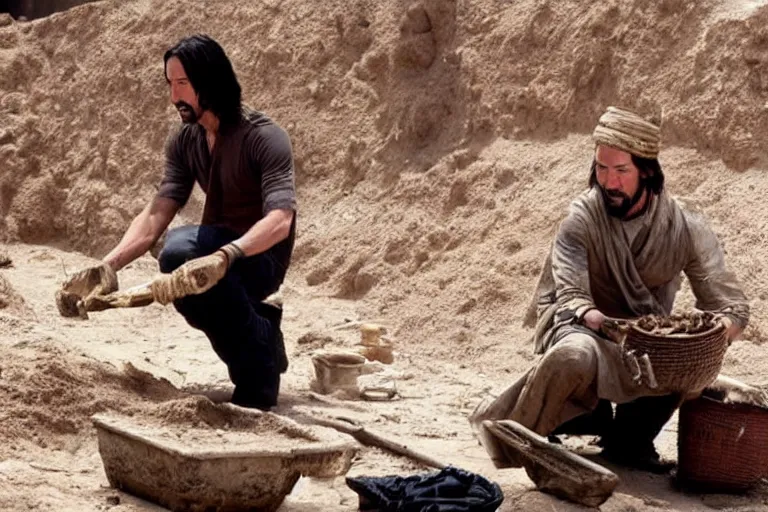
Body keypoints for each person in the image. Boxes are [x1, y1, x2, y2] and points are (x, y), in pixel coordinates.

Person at [470, 106, 749, 473]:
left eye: (621, 171)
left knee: (691, 362)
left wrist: (712, 337)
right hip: (582, 325)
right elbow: (570, 294)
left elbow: (732, 306)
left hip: (647, 341)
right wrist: (600, 321)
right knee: (574, 356)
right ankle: (523, 439)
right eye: (601, 168)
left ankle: (629, 442)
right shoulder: (580, 218)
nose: (609, 182)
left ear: (647, 171)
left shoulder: (686, 226)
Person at [57, 34, 297, 411]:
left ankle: (258, 360)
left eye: (182, 84)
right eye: (170, 85)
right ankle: (259, 346)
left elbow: (281, 220)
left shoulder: (264, 137)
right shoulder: (186, 140)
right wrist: (108, 264)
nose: (174, 97)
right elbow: (156, 214)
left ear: (210, 80)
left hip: (261, 260)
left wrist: (225, 256)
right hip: (212, 257)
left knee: (179, 252)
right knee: (183, 275)